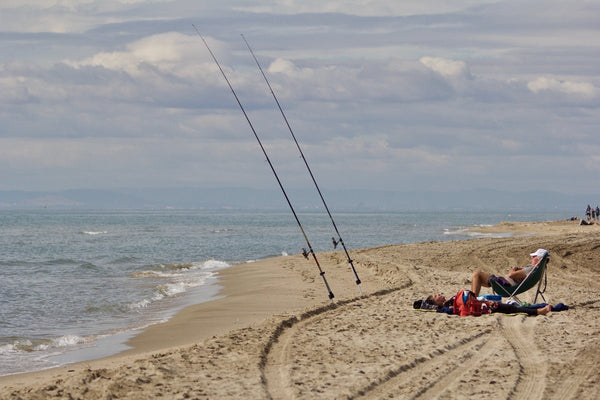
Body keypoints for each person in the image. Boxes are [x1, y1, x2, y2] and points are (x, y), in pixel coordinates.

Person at [470, 248, 548, 296]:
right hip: (506, 285)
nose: (531, 257)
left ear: (539, 259)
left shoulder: (531, 269)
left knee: (477, 274)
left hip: (505, 286)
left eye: (534, 256)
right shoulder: (536, 270)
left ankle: (472, 300)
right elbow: (520, 277)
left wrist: (514, 268)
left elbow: (511, 275)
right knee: (477, 279)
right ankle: (472, 299)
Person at [414, 293, 552, 316]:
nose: (439, 294)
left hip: (482, 303)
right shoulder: (444, 308)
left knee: (513, 307)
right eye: (436, 296)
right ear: (436, 302)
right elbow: (446, 311)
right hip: (484, 307)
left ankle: (538, 308)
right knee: (510, 308)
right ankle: (539, 311)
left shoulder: (449, 302)